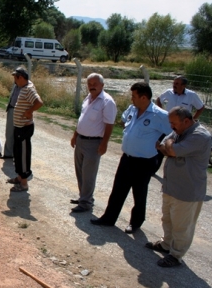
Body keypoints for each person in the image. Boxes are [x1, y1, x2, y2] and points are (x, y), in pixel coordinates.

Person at [90, 82, 171, 233]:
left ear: (144, 97)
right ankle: (109, 218)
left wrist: (162, 145)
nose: (131, 99)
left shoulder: (159, 115)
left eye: (134, 96)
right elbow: (123, 120)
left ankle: (135, 222)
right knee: (118, 189)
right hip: (127, 158)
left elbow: (173, 132)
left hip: (144, 162)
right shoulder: (132, 109)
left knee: (139, 193)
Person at [146, 106, 211, 267]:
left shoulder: (200, 136)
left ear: (186, 121)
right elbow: (160, 145)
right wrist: (169, 146)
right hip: (171, 187)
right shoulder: (179, 131)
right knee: (167, 219)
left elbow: (171, 150)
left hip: (187, 190)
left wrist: (169, 146)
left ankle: (176, 255)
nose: (171, 127)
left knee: (182, 226)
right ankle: (166, 244)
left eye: (173, 123)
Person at [70, 73, 117, 213]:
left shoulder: (107, 102)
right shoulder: (88, 98)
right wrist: (75, 135)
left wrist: (104, 143)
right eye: (89, 84)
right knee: (80, 171)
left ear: (102, 85)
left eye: (95, 84)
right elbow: (81, 119)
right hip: (81, 140)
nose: (92, 86)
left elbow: (109, 124)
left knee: (88, 174)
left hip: (94, 142)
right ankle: (83, 197)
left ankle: (86, 203)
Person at [153, 76, 205, 173]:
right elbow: (159, 100)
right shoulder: (169, 92)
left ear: (183, 85)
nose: (174, 85)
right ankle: (153, 169)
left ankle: (176, 170)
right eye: (174, 83)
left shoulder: (191, 95)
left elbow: (201, 107)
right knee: (160, 146)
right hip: (167, 125)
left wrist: (192, 120)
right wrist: (163, 112)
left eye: (177, 83)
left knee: (177, 149)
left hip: (181, 128)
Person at [7, 67, 43, 192]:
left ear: (20, 77)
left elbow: (39, 102)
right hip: (19, 127)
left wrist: (29, 111)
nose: (14, 80)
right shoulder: (24, 88)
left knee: (23, 156)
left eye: (15, 78)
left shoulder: (28, 89)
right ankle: (19, 177)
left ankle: (24, 183)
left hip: (24, 128)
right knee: (17, 154)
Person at [2, 84, 21, 159]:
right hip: (11, 109)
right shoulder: (15, 85)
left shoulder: (27, 87)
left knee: (18, 134)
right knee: (9, 132)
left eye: (16, 76)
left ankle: (17, 154)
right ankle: (8, 154)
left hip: (19, 111)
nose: (14, 78)